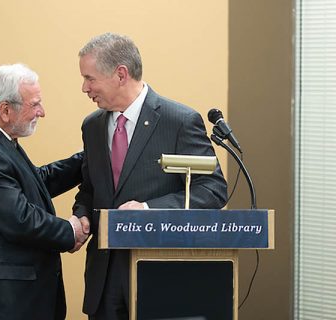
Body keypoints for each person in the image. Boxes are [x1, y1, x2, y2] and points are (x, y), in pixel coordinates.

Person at [72, 33, 228, 319]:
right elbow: (90, 187)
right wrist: (81, 215)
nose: (85, 88)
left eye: (90, 78)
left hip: (158, 274)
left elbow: (213, 190)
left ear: (121, 74)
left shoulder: (179, 121)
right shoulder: (92, 126)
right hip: (103, 278)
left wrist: (147, 210)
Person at [0, 63, 88, 320]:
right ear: (6, 110)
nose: (41, 112)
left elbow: (35, 181)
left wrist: (87, 159)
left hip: (10, 301)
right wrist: (70, 230)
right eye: (35, 104)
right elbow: (19, 219)